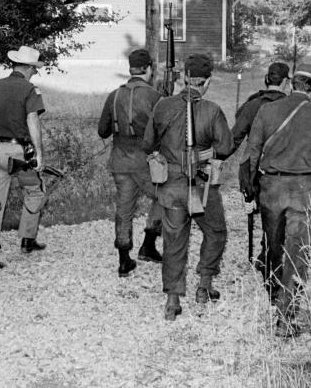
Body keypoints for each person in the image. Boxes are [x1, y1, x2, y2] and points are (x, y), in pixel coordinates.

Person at [247, 63, 311, 337]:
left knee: (273, 245)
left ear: (292, 83)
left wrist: (252, 186)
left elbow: (252, 151)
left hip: (271, 187)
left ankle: (275, 293)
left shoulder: (266, 110)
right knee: (298, 252)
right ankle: (286, 317)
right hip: (304, 188)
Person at [143, 54, 232, 322]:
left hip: (170, 186)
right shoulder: (212, 110)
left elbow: (148, 144)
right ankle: (204, 285)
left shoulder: (162, 106)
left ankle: (172, 300)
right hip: (201, 187)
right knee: (216, 232)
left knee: (173, 241)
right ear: (207, 82)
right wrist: (204, 155)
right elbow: (226, 148)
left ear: (183, 78)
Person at [0, 45, 49, 273]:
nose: (35, 73)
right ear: (28, 68)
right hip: (18, 154)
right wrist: (38, 153)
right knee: (36, 190)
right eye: (34, 69)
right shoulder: (30, 90)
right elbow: (32, 121)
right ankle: (27, 238)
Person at [97, 48, 164, 278]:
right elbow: (163, 131)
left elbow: (102, 131)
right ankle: (149, 243)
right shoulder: (154, 97)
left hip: (120, 160)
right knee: (163, 196)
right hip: (145, 160)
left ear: (131, 69)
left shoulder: (114, 95)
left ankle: (124, 260)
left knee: (124, 208)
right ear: (148, 69)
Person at [230, 62, 290, 281]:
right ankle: (269, 255)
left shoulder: (252, 104)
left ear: (266, 79)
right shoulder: (291, 106)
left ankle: (266, 254)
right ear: (286, 82)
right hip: (279, 170)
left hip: (253, 169)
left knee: (264, 212)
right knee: (277, 215)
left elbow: (234, 138)